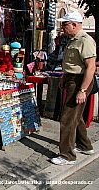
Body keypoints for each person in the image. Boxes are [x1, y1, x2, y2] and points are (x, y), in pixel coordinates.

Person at [51, 11, 96, 166]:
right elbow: (72, 63)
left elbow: (90, 67)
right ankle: (85, 146)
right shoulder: (72, 39)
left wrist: (82, 90)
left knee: (68, 118)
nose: (63, 28)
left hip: (80, 80)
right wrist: (65, 77)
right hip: (71, 78)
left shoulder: (85, 40)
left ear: (74, 24)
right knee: (76, 115)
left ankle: (67, 155)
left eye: (65, 24)